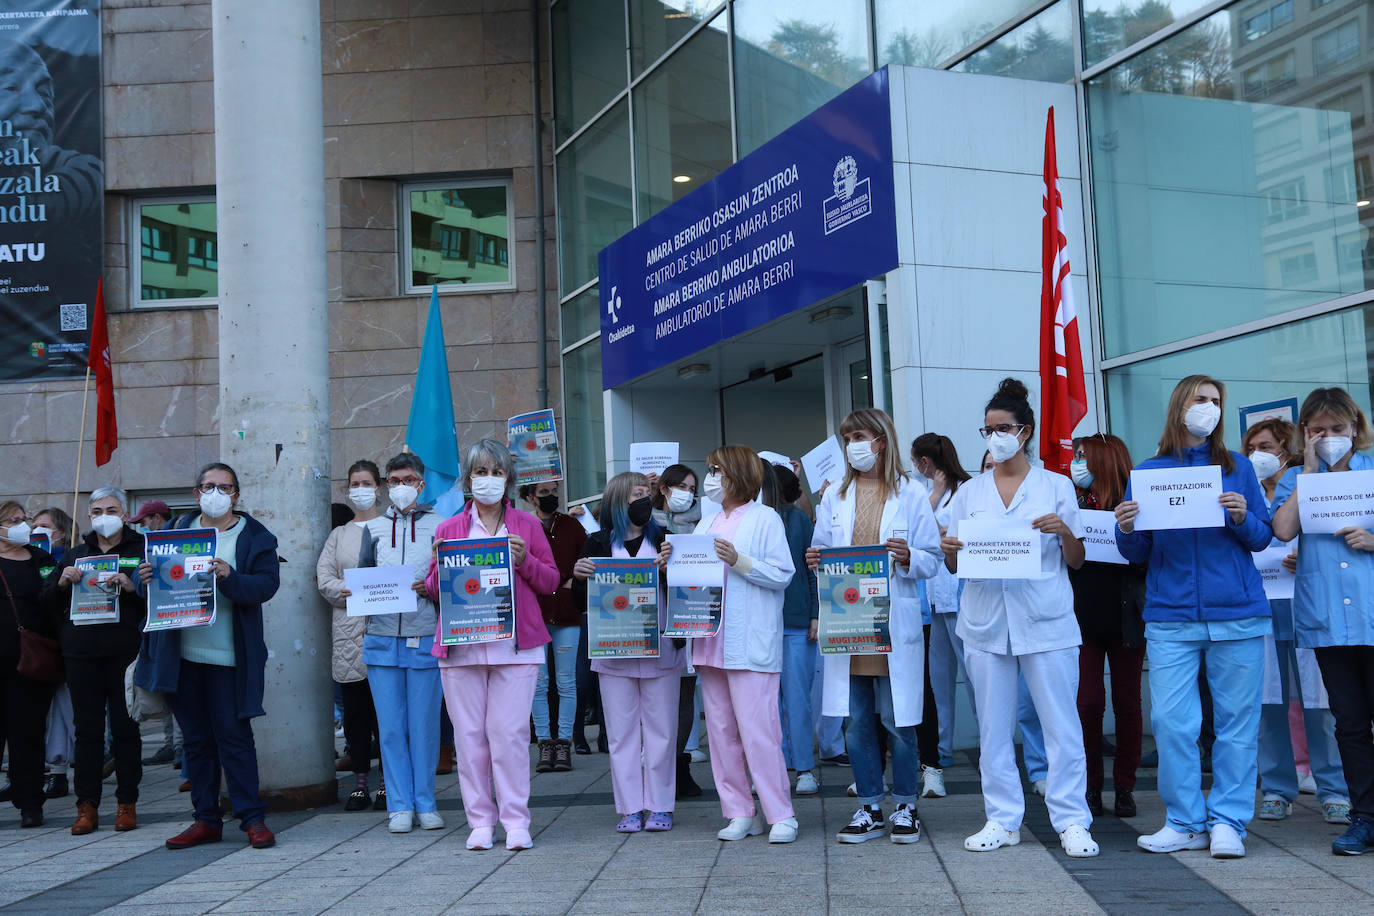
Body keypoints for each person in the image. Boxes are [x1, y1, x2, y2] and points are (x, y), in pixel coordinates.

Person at [1116, 374, 1272, 859]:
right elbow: (1137, 549)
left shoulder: (1238, 466)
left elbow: (1262, 538)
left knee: (1237, 724)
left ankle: (1228, 821)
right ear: (1180, 406)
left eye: (1216, 401)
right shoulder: (1149, 470)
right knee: (1171, 723)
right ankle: (1184, 821)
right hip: (1172, 617)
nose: (1209, 408)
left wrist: (1245, 515)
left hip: (1237, 613)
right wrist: (1126, 527)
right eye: (1201, 400)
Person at [942, 378, 1099, 858]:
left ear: (1025, 431)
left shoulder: (1055, 486)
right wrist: (950, 551)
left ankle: (1072, 820)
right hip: (987, 622)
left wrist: (1065, 529)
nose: (995, 438)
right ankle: (1002, 818)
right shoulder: (970, 492)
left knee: (1061, 724)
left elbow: (1076, 560)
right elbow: (955, 566)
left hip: (1046, 620)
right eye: (987, 430)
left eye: (1003, 428)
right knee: (993, 727)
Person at [809, 408, 942, 845]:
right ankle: (868, 804)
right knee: (857, 722)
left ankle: (905, 805)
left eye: (859, 436)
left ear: (881, 441)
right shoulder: (835, 496)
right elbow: (823, 549)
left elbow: (932, 559)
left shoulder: (912, 493)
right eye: (847, 437)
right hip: (848, 621)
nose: (852, 445)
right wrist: (815, 559)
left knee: (897, 718)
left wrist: (908, 557)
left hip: (891, 622)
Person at [135, 462, 281, 849]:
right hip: (182, 657)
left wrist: (231, 577)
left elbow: (266, 586)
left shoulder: (255, 536)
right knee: (196, 742)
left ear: (237, 493)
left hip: (230, 659)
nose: (216, 493)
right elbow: (142, 581)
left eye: (225, 486)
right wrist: (143, 578)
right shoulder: (174, 532)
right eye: (208, 486)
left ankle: (252, 818)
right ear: (196, 492)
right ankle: (205, 819)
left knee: (235, 739)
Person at [659, 444, 799, 844]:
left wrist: (739, 560)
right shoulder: (705, 523)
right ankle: (739, 811)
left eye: (717, 470)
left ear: (737, 474)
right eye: (710, 470)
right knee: (720, 733)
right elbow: (693, 578)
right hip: (709, 639)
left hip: (749, 642)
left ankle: (780, 813)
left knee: (760, 732)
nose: (711, 478)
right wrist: (672, 560)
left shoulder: (765, 519)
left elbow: (782, 574)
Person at [425, 438, 558, 852]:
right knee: (468, 738)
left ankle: (516, 820)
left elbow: (552, 582)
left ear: (509, 478)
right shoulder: (448, 529)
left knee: (510, 735)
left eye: (496, 472)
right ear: (467, 479)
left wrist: (524, 561)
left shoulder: (528, 525)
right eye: (480, 472)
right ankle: (480, 821)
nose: (488, 480)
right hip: (462, 648)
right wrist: (437, 567)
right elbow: (432, 590)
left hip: (516, 647)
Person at [1271, 388, 1374, 855]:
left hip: (1371, 614)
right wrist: (1310, 471)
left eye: (1336, 429)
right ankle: (1365, 817)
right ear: (1305, 434)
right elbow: (1284, 530)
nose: (1328, 437)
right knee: (1349, 722)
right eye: (1317, 430)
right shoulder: (1296, 477)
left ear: (1355, 427)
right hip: (1329, 619)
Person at [1244, 417, 1351, 827]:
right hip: (1261, 608)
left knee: (1319, 705)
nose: (1259, 454)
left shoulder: (1306, 484)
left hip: (1307, 605)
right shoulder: (1244, 491)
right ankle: (1277, 787)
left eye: (1267, 446)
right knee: (1269, 702)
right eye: (1253, 446)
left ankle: (1334, 790)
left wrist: (1301, 557)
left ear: (1287, 450)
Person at [572, 472, 684, 832]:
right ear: (619, 500)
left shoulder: (666, 540)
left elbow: (686, 592)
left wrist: (671, 571)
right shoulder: (596, 542)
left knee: (662, 731)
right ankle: (630, 808)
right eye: (638, 494)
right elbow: (579, 603)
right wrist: (578, 576)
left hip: (661, 647)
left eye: (647, 494)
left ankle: (662, 806)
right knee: (620, 734)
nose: (645, 500)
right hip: (613, 649)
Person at [43, 488, 145, 834]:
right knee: (86, 733)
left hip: (124, 652)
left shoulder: (141, 550)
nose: (105, 515)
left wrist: (132, 588)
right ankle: (86, 806)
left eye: (112, 509)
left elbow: (161, 600)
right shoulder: (75, 553)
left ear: (126, 514)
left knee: (126, 729)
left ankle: (126, 803)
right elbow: (46, 604)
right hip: (81, 653)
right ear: (89, 516)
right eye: (98, 510)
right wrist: (61, 582)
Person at [355, 453, 443, 833]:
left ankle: (425, 802)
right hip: (381, 637)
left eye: (407, 479)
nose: (400, 486)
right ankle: (399, 804)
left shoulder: (442, 526)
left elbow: (451, 582)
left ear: (421, 483)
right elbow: (360, 579)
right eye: (393, 480)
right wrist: (355, 591)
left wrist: (432, 588)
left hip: (424, 634)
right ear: (385, 485)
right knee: (389, 727)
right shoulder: (372, 528)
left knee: (423, 726)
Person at [1067, 434, 1147, 819]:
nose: (1076, 463)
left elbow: (1148, 556)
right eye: (1075, 456)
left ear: (1104, 459)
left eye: (1083, 456)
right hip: (1080, 618)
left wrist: (1128, 528)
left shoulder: (1134, 503)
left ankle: (1126, 787)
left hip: (1126, 616)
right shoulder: (1068, 501)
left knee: (1128, 703)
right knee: (1087, 703)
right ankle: (1092, 785)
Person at [316, 460, 385, 812]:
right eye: (355, 483)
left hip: (387, 632)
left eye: (367, 482)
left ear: (379, 487)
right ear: (347, 489)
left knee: (386, 716)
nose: (361, 489)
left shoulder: (392, 528)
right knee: (356, 717)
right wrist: (346, 589)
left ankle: (388, 781)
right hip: (347, 634)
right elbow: (323, 577)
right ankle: (360, 783)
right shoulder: (339, 534)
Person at [910, 433, 975, 788]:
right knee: (937, 680)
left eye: (917, 460)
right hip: (931, 598)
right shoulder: (921, 493)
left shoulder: (966, 489)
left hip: (958, 593)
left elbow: (951, 536)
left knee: (974, 676)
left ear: (926, 461)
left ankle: (988, 744)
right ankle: (942, 745)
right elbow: (922, 535)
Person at [0, 502, 60, 827]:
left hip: (32, 661)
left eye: (24, 520)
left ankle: (30, 803)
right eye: (14, 520)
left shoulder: (40, 559)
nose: (22, 526)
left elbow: (54, 596)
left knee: (28, 734)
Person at [520, 478, 586, 773]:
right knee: (539, 683)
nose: (551, 496)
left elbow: (588, 555)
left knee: (566, 681)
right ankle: (545, 743)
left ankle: (564, 743)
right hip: (534, 614)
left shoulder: (571, 526)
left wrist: (576, 580)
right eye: (544, 492)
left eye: (554, 491)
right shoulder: (523, 525)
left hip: (567, 612)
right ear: (531, 497)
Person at [651, 462, 705, 798]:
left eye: (691, 487)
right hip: (657, 616)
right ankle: (657, 763)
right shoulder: (647, 522)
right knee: (658, 695)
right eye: (680, 486)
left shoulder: (703, 523)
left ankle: (678, 763)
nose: (685, 493)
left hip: (690, 613)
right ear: (664, 488)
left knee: (686, 692)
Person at [773, 466, 821, 797]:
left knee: (797, 698)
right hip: (761, 623)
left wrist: (817, 614)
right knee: (766, 704)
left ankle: (804, 767)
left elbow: (814, 570)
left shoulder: (798, 521)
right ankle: (777, 764)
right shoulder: (750, 520)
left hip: (796, 620)